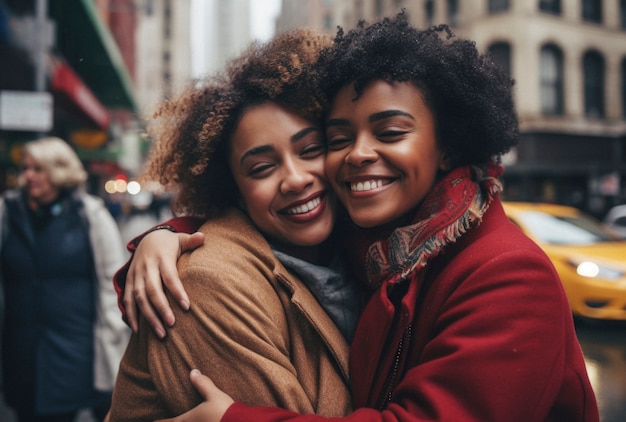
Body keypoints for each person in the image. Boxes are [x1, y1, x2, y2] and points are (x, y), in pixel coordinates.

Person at [122, 13, 599, 422]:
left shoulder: (508, 275)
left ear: (447, 145)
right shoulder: (374, 244)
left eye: (390, 131)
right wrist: (169, 235)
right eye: (339, 138)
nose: (359, 154)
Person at [106, 28, 360, 421]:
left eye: (311, 150)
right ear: (236, 191)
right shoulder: (206, 282)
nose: (295, 179)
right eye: (262, 168)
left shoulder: (361, 249)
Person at [0, 137, 130, 422]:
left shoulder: (91, 215)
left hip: (76, 348)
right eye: (25, 168)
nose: (28, 176)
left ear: (59, 171)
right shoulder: (8, 212)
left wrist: (114, 343)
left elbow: (112, 283)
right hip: (22, 351)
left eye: (38, 169)